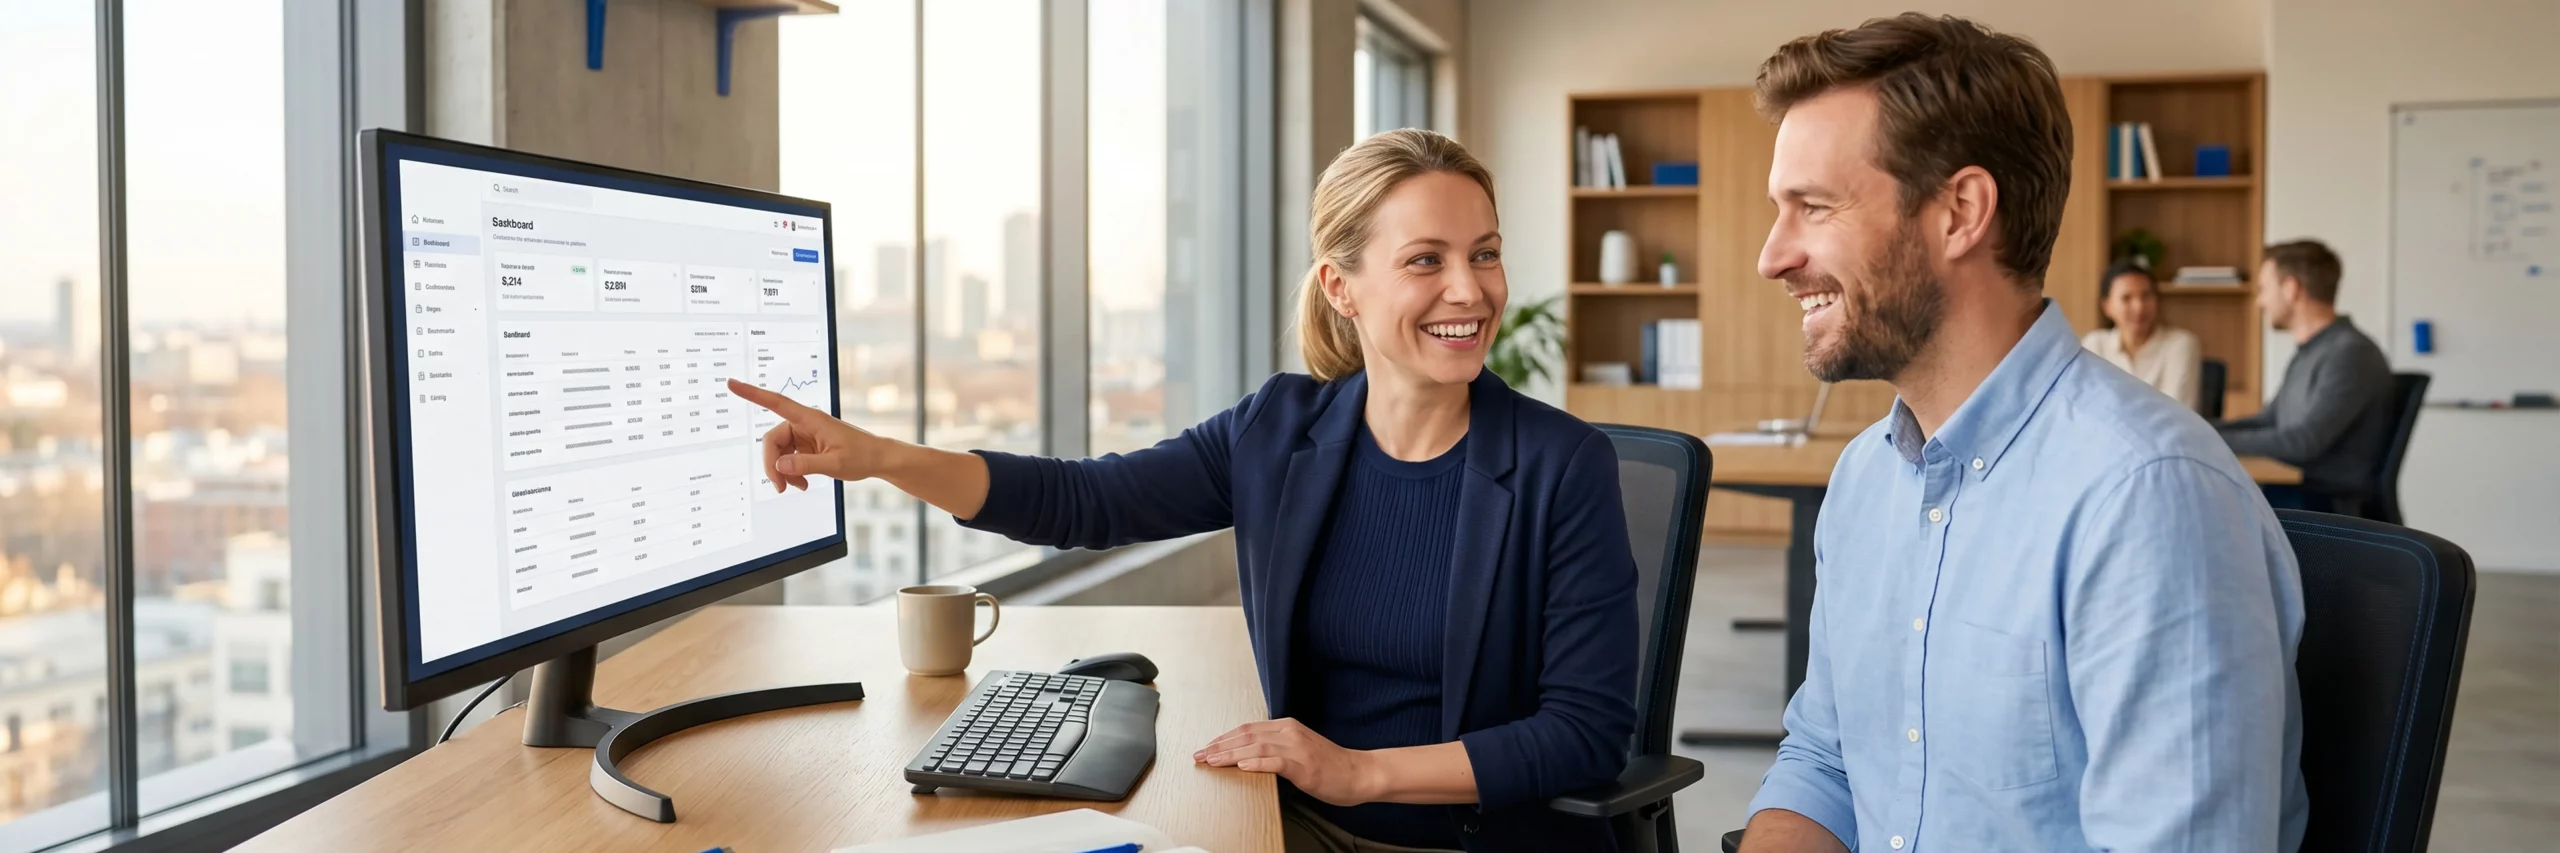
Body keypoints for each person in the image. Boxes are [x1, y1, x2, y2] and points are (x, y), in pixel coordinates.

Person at [729, 129, 1638, 853]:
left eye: (1484, 254)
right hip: (1296, 827)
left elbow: (1586, 733)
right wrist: (882, 454)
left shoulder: (1564, 464)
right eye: (1425, 260)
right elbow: (1083, 501)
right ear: (1341, 287)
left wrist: (1361, 771)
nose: (1469, 290)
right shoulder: (1280, 432)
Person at [1737, 14, 2306, 853]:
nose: (1772, 256)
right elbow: (1827, 761)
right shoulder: (1866, 480)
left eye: (1813, 206)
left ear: (1961, 211)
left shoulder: (2149, 497)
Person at [2218, 239, 2397, 514]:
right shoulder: (2311, 351)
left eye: (2264, 289)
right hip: (2301, 496)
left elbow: (2303, 443)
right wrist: (2200, 429)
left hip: (2326, 508)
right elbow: (2267, 421)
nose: (2259, 301)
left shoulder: (2350, 353)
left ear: (2291, 289)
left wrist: (2208, 437)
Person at [2080, 260, 2204, 411]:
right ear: (2107, 307)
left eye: (2146, 296)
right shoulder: (2094, 345)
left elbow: (2178, 412)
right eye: (2126, 298)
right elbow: (2089, 408)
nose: (2139, 307)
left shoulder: (2181, 344)